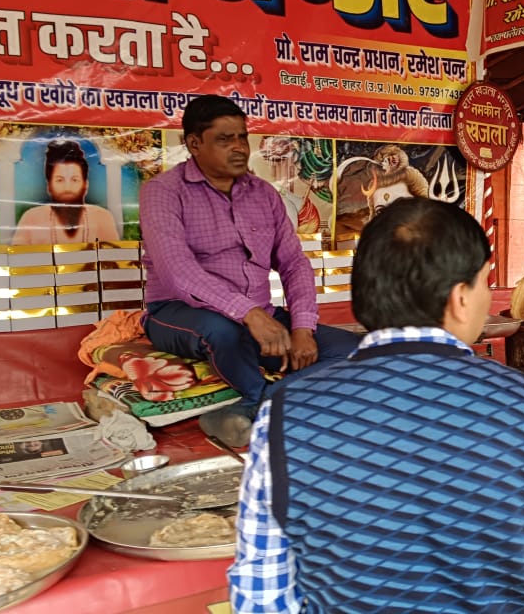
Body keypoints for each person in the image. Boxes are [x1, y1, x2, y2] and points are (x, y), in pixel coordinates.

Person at [229, 197, 524, 612]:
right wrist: (511, 560)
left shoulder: (285, 414)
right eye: (485, 282)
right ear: (459, 297)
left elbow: (262, 598)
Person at [139, 95, 359, 448]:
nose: (239, 147)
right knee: (225, 331)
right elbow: (178, 272)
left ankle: (255, 408)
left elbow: (293, 262)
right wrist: (249, 313)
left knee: (358, 351)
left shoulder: (264, 194)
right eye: (225, 140)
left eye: (242, 137)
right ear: (194, 143)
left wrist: (303, 327)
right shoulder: (163, 192)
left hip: (260, 315)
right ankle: (281, 405)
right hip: (179, 313)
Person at [11, 140, 120, 245]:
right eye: (60, 180)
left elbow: (114, 259)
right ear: (49, 186)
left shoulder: (102, 217)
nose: (67, 188)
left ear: (85, 185)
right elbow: (18, 260)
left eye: (74, 180)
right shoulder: (31, 218)